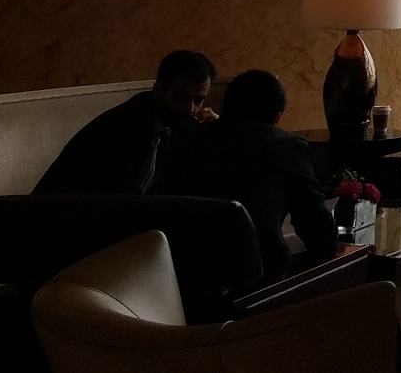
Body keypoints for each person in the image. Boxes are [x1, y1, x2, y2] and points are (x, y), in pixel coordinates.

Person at [156, 69, 338, 280]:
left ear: (226, 107)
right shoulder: (285, 145)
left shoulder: (183, 146)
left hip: (184, 276)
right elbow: (316, 227)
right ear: (276, 117)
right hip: (258, 277)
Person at [35, 50, 217, 195]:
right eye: (181, 97)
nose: (190, 108)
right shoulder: (122, 128)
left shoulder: (178, 125)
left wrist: (217, 135)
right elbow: (119, 205)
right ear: (158, 89)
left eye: (199, 100)